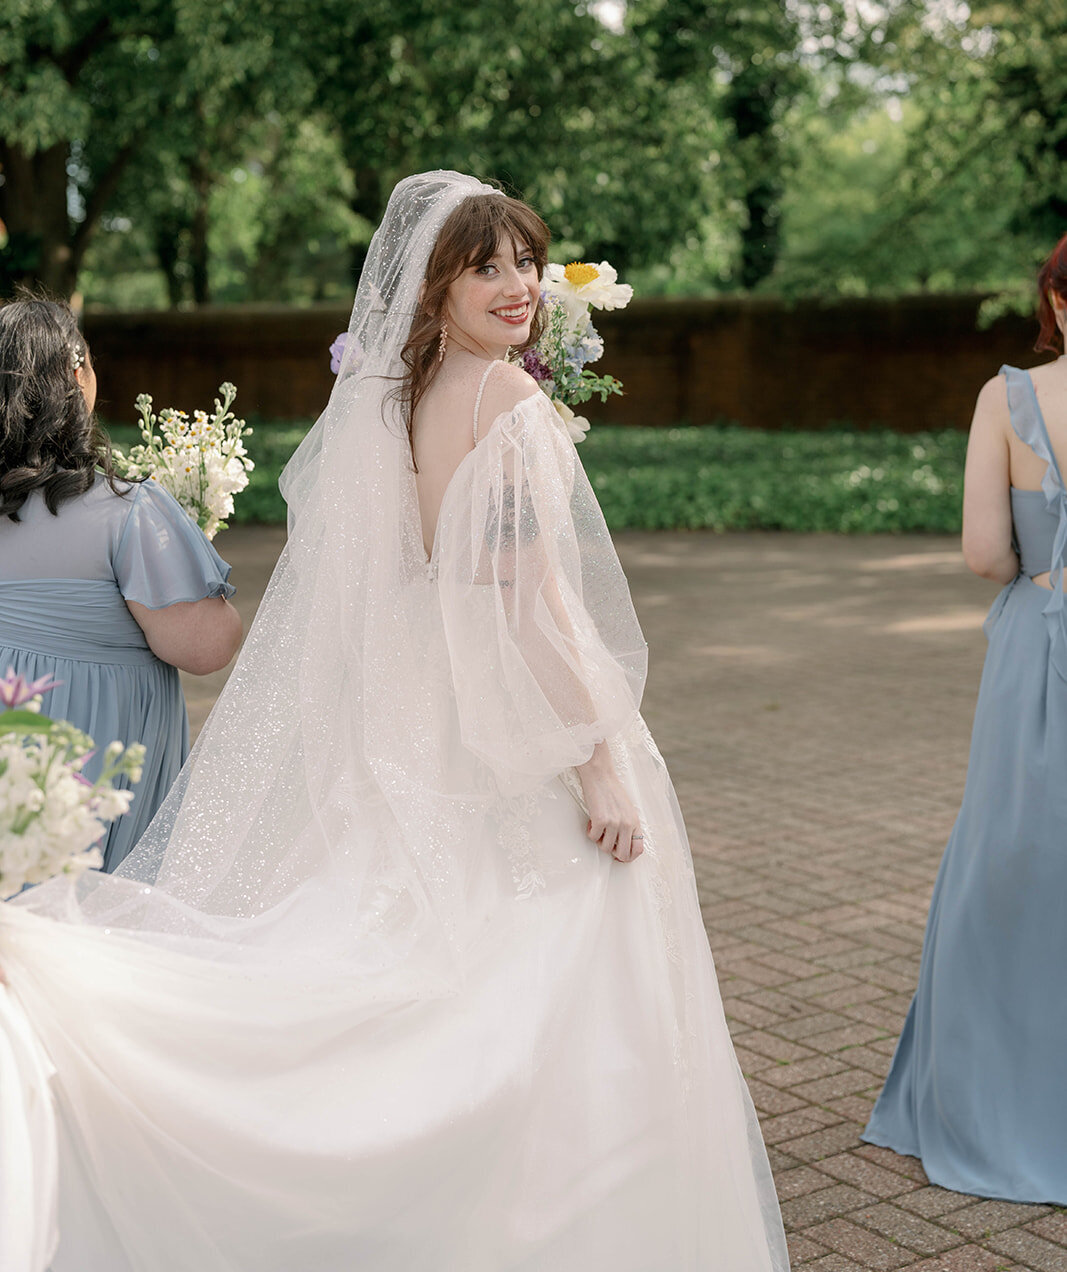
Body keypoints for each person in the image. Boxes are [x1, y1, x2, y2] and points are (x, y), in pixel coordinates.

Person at [0, 174, 788, 1271]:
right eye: (486, 267)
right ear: (433, 289)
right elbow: (533, 606)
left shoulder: (392, 402)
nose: (516, 287)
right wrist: (598, 754)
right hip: (505, 724)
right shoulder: (508, 406)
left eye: (524, 262)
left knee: (413, 956)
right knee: (547, 973)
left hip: (417, 713)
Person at [864, 234, 1067, 1203]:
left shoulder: (1005, 399)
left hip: (1036, 645)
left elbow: (983, 552)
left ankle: (992, 1095)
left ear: (1055, 303)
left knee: (1008, 855)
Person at [0, 298, 243, 871]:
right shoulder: (124, 509)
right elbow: (207, 646)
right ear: (75, 374)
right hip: (87, 758)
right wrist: (188, 549)